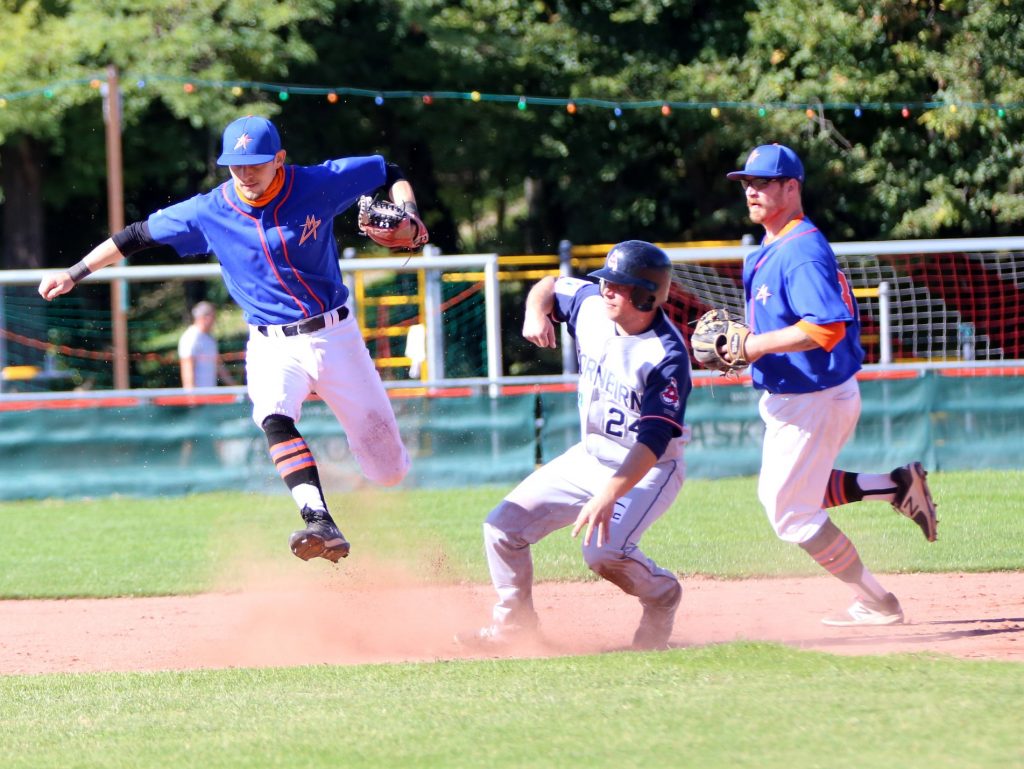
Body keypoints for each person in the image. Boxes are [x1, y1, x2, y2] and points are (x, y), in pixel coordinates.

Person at [38, 115, 426, 564]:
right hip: (270, 342)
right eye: (235, 165)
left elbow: (389, 170)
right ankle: (318, 519)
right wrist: (74, 272)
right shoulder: (210, 210)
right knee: (272, 413)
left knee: (389, 471)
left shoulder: (317, 183)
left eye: (256, 164)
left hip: (335, 334)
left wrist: (409, 213)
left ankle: (361, 490)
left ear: (280, 160)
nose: (245, 174)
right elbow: (136, 235)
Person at [722, 143, 938, 626]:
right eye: (746, 183)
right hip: (804, 397)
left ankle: (877, 601)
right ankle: (892, 485)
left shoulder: (799, 250)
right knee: (787, 497)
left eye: (762, 182)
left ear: (792, 187)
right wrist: (750, 345)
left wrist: (754, 347)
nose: (751, 191)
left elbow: (824, 329)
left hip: (812, 399)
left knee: (790, 515)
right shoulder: (774, 244)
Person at [458, 241, 691, 651]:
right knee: (501, 528)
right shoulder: (592, 310)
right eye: (606, 282)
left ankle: (662, 594)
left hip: (648, 469)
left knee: (602, 553)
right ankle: (515, 629)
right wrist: (535, 312)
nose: (606, 290)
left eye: (618, 286)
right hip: (589, 456)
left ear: (646, 295)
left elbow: (652, 442)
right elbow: (549, 284)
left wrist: (608, 494)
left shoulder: (665, 356)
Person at [178, 300, 237, 389]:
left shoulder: (210, 339)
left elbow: (219, 366)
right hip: (198, 397)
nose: (215, 320)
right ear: (203, 317)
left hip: (210, 395)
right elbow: (187, 369)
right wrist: (192, 398)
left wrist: (235, 388)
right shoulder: (190, 338)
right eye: (213, 316)